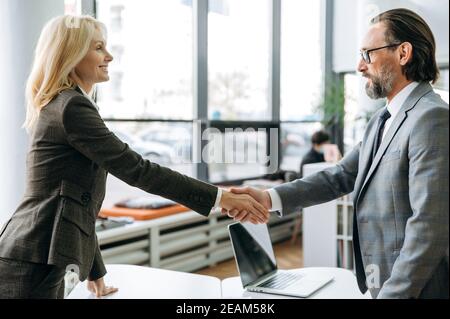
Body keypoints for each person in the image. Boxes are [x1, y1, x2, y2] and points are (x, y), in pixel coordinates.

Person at [0, 15, 269, 299]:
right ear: (72, 54)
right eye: (99, 48)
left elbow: (77, 200)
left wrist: (96, 272)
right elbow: (138, 170)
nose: (110, 56)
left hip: (35, 255)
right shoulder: (71, 107)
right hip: (32, 258)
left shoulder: (67, 104)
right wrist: (222, 198)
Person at [225, 8, 449, 299]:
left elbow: (429, 227)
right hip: (380, 283)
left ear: (403, 53)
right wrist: (269, 198)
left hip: (417, 291)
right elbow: (340, 175)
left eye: (368, 53)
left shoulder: (432, 118)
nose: (359, 65)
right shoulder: (381, 120)